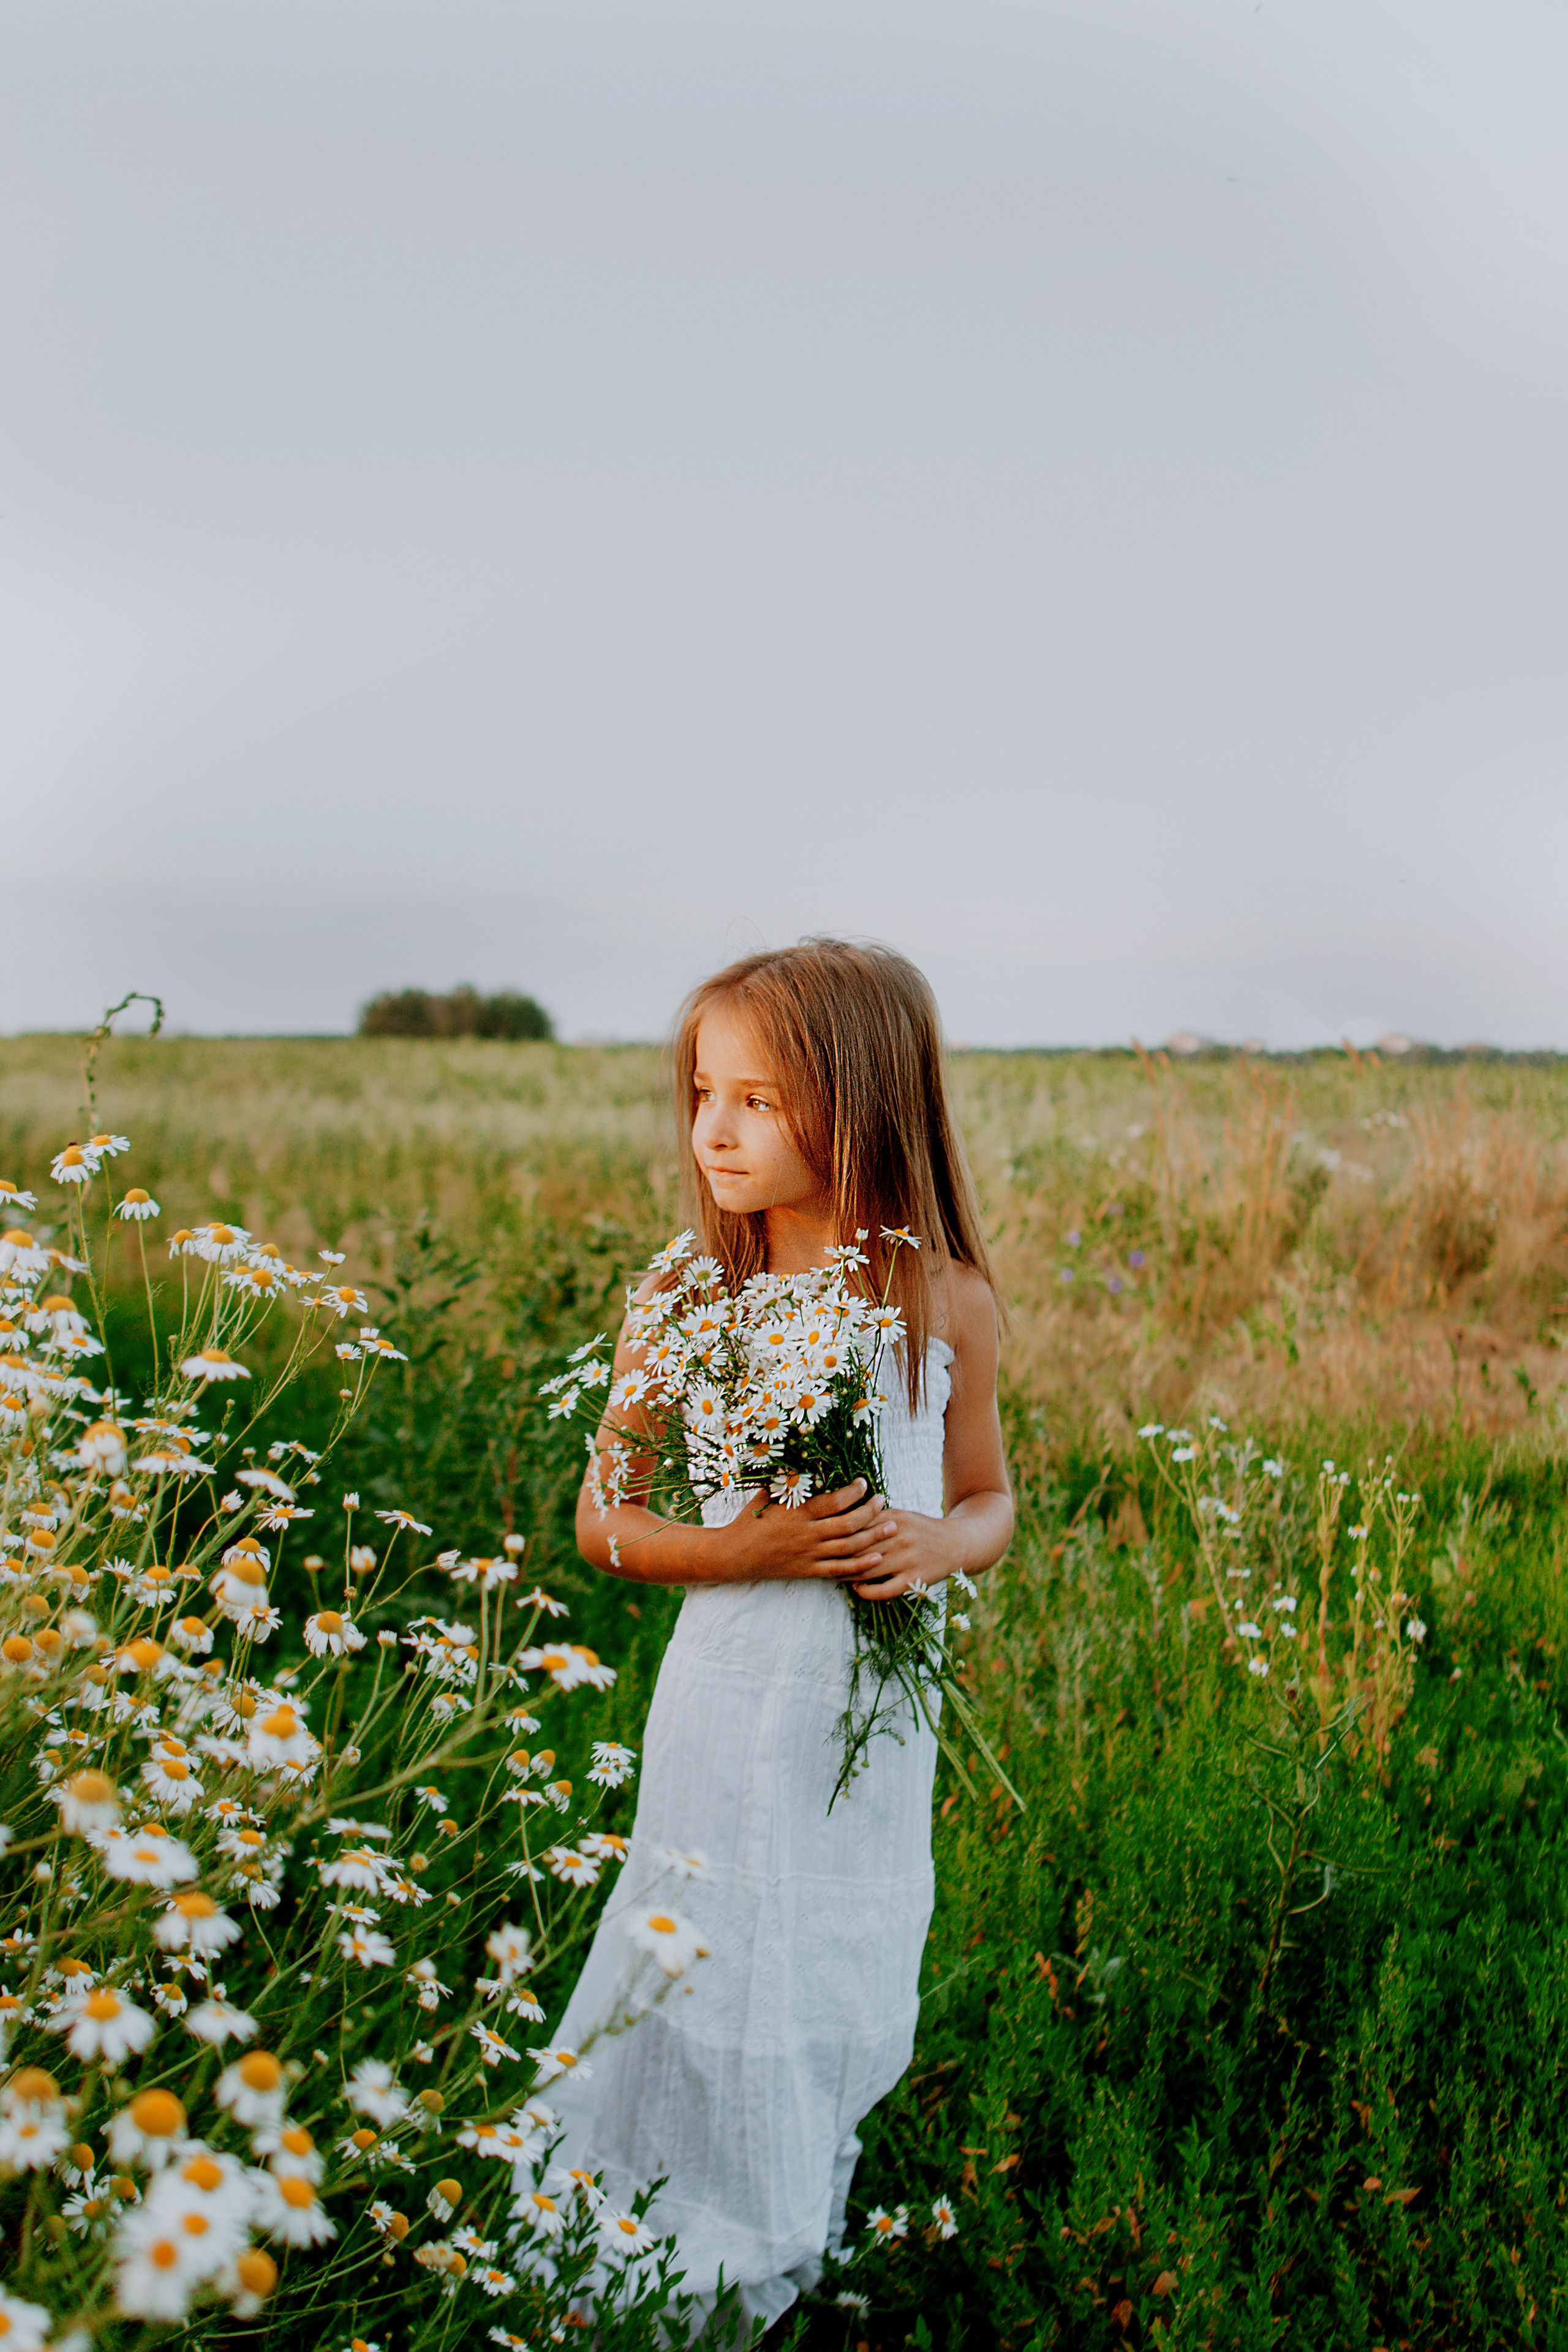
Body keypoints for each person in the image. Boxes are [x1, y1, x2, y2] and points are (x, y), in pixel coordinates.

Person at [529, 940, 1014, 2334]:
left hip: (867, 1722)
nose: (713, 1131)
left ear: (861, 1106)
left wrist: (934, 1545)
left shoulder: (939, 1302)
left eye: (756, 1099)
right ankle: (655, 2210)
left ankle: (781, 2201)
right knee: (707, 1943)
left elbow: (988, 1496)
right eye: (700, 1094)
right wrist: (743, 1549)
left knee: (833, 1950)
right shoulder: (688, 1297)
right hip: (730, 1697)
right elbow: (602, 1524)